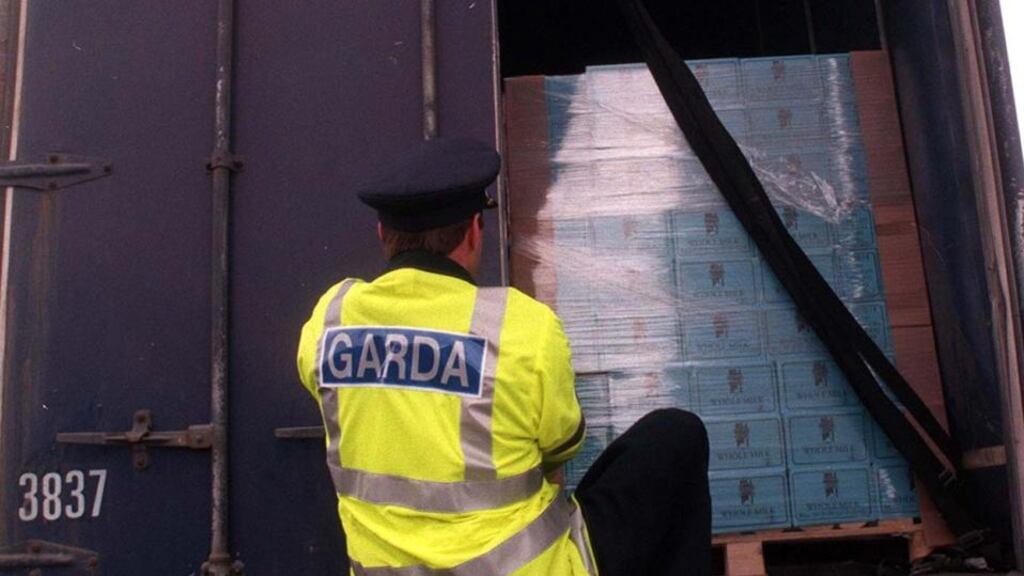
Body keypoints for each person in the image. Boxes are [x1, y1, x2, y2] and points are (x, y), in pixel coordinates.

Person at [296, 137, 711, 575]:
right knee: (676, 436)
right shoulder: (523, 327)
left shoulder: (330, 320)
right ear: (475, 230)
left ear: (382, 233)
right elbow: (561, 446)